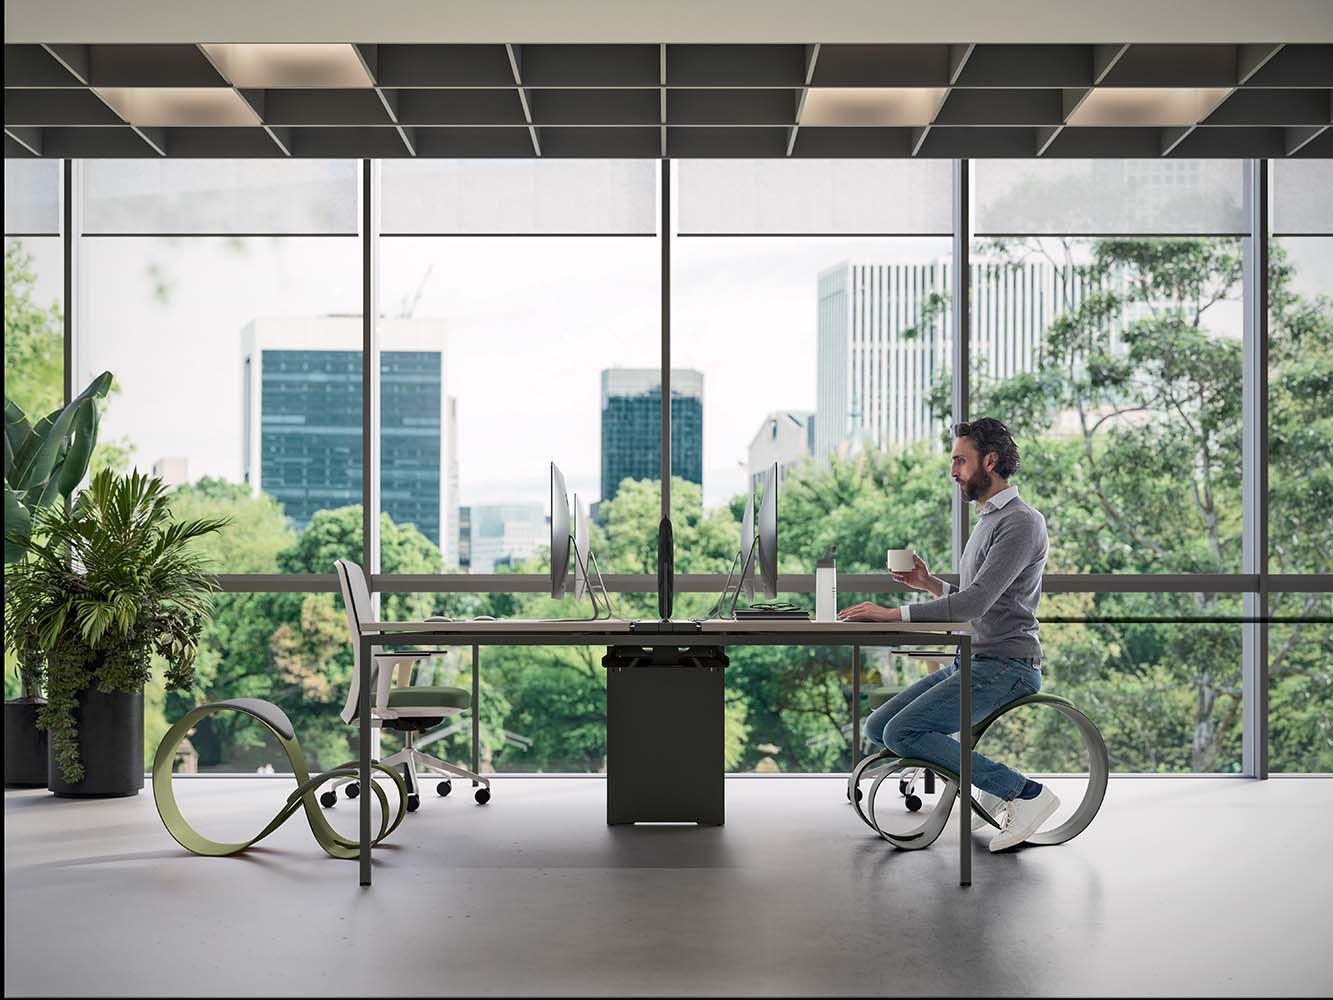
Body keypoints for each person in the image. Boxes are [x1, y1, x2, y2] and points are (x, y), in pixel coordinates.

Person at [838, 417, 1058, 852]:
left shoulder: (1020, 523)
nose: (953, 471)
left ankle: (1026, 794)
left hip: (1008, 666)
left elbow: (974, 604)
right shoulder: (988, 521)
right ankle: (991, 783)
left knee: (905, 734)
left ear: (990, 461)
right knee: (880, 726)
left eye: (960, 460)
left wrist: (894, 614)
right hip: (974, 659)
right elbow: (980, 598)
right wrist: (929, 584)